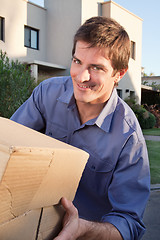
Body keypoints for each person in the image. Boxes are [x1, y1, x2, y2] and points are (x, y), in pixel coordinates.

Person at [11, 16, 150, 240]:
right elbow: (8, 145)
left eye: (96, 68)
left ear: (119, 74)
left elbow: (129, 223)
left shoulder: (129, 138)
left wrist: (84, 229)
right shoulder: (47, 93)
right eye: (77, 61)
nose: (81, 76)